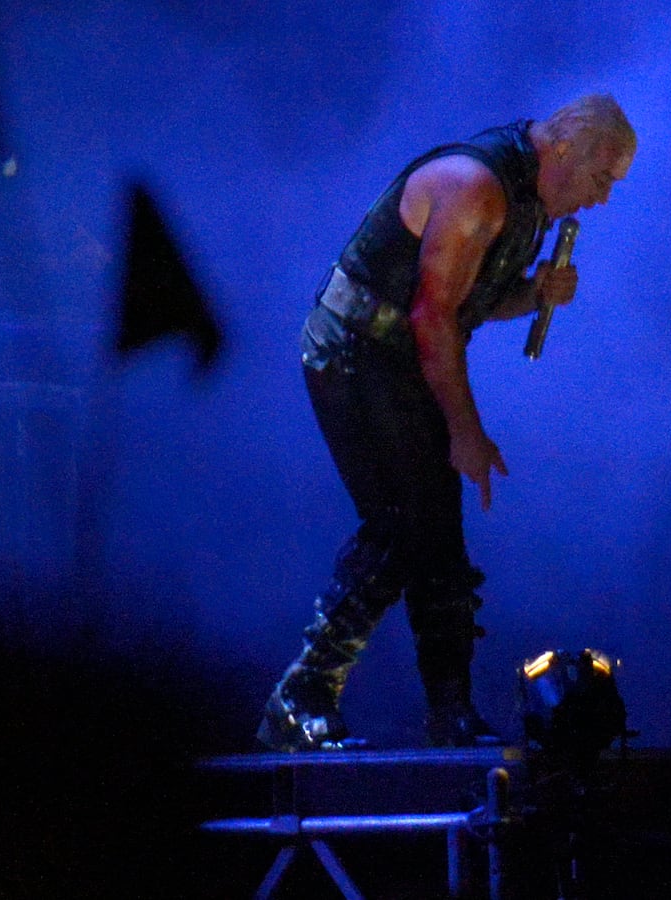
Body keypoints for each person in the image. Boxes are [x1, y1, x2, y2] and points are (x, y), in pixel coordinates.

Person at [257, 95, 637, 751]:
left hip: (400, 361)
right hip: (354, 351)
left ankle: (450, 716)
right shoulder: (477, 188)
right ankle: (299, 700)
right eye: (603, 177)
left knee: (436, 534)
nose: (602, 198)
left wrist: (535, 295)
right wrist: (465, 431)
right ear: (570, 146)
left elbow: (472, 302)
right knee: (402, 527)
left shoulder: (527, 206)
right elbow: (433, 319)